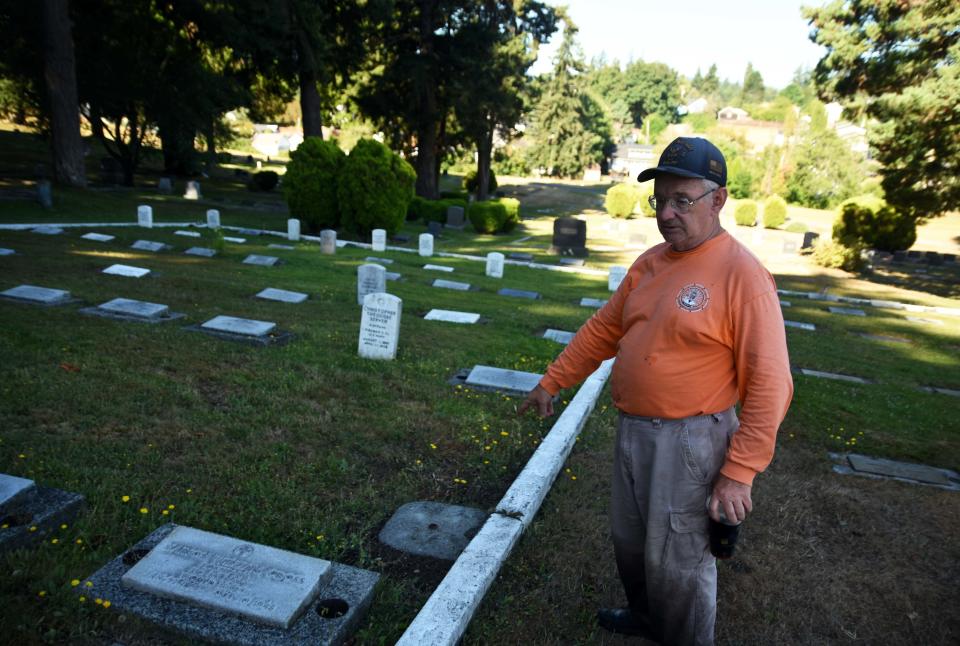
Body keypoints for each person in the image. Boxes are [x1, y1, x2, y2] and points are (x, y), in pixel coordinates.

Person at [518, 137, 794, 645]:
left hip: (692, 440)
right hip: (633, 430)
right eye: (660, 201)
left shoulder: (742, 276)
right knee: (632, 542)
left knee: (681, 560)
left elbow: (770, 383)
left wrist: (738, 473)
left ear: (718, 200)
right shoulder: (650, 263)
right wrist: (552, 380)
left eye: (681, 201)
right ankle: (647, 618)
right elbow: (604, 329)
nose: (666, 213)